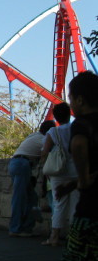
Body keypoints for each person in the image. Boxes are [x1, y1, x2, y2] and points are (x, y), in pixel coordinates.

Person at [50, 71, 98, 261]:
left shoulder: (82, 123)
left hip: (91, 213)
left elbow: (79, 145)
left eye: (71, 98)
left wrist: (82, 178)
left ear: (80, 100)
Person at [8, 119, 55, 237]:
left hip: (15, 162)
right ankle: (16, 229)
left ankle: (26, 228)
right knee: (19, 198)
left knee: (32, 197)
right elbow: (50, 152)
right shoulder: (44, 140)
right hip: (23, 164)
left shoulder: (33, 135)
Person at [41, 102, 78, 246]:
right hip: (75, 171)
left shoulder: (53, 132)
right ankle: (74, 238)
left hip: (58, 172)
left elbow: (45, 152)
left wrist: (46, 171)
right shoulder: (76, 128)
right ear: (69, 115)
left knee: (58, 205)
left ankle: (54, 237)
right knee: (76, 205)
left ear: (55, 117)